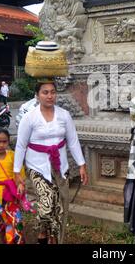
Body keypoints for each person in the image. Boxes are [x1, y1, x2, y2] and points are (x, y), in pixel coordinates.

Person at [14, 81, 89, 244]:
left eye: (52, 92)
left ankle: (51, 236)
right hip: (37, 167)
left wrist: (82, 164)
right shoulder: (30, 117)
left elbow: (73, 141)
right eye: (45, 92)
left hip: (60, 167)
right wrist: (17, 171)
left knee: (59, 205)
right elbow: (20, 145)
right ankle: (44, 229)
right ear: (37, 95)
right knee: (47, 205)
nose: (49, 96)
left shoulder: (64, 115)